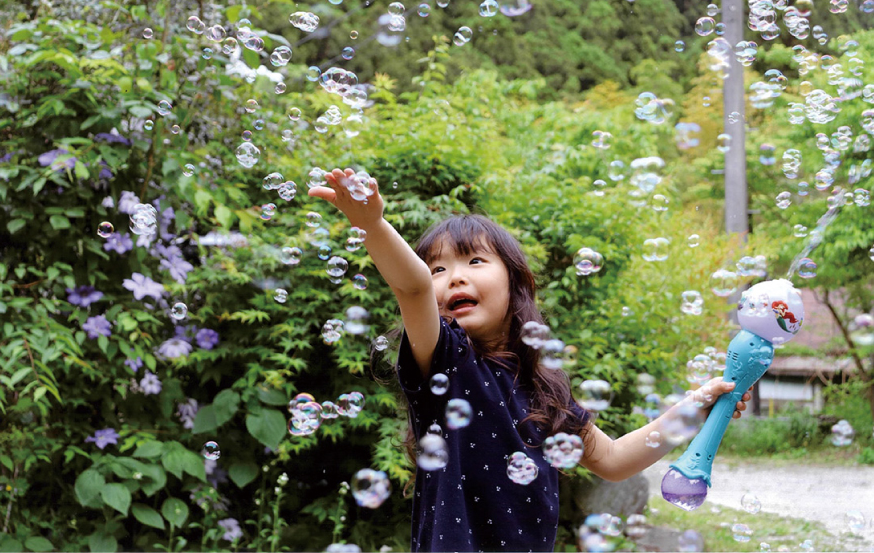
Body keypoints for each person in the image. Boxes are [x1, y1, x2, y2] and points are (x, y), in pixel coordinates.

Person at [309, 168, 752, 553]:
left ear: (515, 283)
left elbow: (615, 459)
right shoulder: (446, 360)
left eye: (475, 260)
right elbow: (412, 288)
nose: (452, 276)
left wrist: (697, 406)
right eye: (437, 268)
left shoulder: (544, 388)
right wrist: (373, 225)